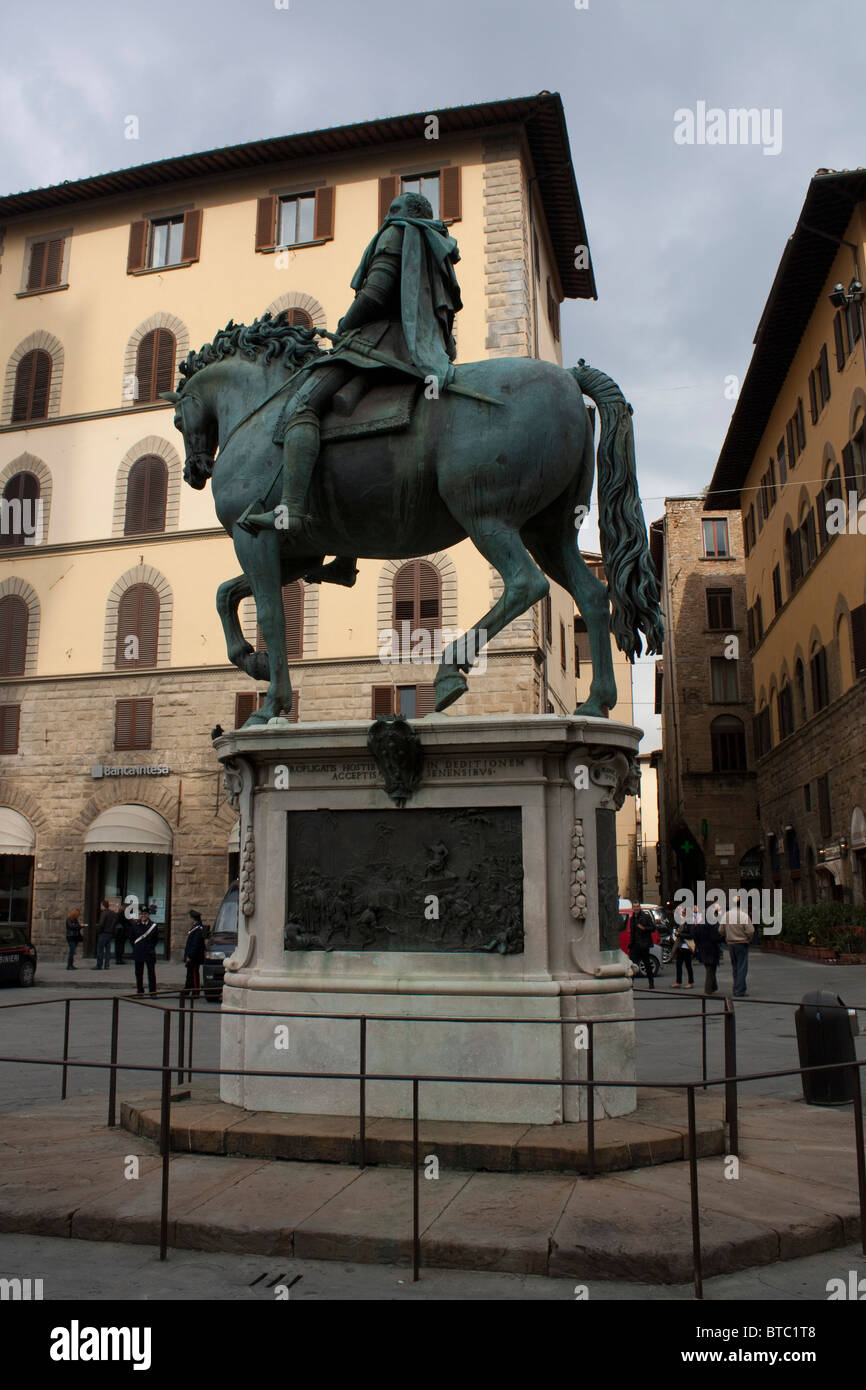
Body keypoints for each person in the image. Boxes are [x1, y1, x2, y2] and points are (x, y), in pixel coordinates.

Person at [240, 190, 462, 543]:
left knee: (302, 407)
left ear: (402, 212)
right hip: (421, 354)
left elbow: (375, 293)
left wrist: (345, 324)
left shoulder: (396, 232)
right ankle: (344, 552)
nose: (387, 216)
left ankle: (291, 510)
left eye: (392, 209)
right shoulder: (439, 246)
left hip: (375, 346)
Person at [719, 890, 755, 997]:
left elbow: (720, 930)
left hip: (731, 944)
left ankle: (736, 988)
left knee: (735, 967)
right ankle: (740, 990)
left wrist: (727, 935)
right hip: (742, 943)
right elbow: (751, 930)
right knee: (742, 967)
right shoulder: (744, 916)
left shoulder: (726, 915)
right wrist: (748, 938)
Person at [128, 906, 158, 996]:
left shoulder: (153, 926)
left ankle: (152, 992)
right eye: (141, 914)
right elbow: (131, 938)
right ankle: (140, 991)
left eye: (145, 914)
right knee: (139, 973)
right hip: (139, 951)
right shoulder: (135, 925)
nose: (143, 916)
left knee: (151, 973)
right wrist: (137, 947)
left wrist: (149, 947)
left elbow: (155, 939)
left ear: (148, 915)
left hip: (149, 952)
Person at [692, 910, 722, 994]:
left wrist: (698, 945)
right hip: (711, 948)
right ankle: (708, 989)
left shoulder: (699, 925)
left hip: (702, 948)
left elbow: (694, 935)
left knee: (709, 967)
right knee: (711, 969)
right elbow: (715, 937)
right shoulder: (712, 925)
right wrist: (720, 939)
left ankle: (713, 986)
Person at [629, 900, 656, 990]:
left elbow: (653, 928)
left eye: (637, 907)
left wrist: (644, 928)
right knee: (633, 965)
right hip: (635, 945)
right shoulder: (632, 918)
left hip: (644, 945)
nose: (636, 908)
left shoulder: (646, 917)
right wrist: (631, 944)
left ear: (639, 907)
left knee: (647, 964)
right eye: (634, 907)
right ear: (633, 908)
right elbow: (632, 932)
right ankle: (631, 983)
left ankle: (651, 983)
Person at [183, 910, 207, 996]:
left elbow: (195, 944)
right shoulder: (195, 927)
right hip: (192, 955)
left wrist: (190, 955)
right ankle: (187, 990)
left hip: (194, 956)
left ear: (193, 918)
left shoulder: (198, 929)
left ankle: (195, 991)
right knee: (190, 974)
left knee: (193, 974)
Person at [671, 910, 695, 989]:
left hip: (687, 946)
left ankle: (690, 982)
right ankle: (678, 981)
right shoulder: (683, 922)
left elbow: (691, 935)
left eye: (684, 913)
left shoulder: (690, 922)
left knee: (688, 965)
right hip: (681, 945)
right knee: (678, 964)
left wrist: (680, 934)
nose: (683, 914)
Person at [93, 899, 115, 970]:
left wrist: (98, 929)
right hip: (110, 933)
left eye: (100, 905)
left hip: (104, 933)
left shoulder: (104, 913)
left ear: (103, 905)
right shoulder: (112, 913)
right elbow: (114, 922)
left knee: (100, 950)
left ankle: (99, 965)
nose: (100, 907)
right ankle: (107, 965)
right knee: (108, 950)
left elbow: (101, 924)